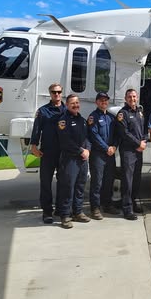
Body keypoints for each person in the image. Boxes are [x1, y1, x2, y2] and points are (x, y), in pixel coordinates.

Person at [30, 83, 66, 224]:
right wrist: (33, 145)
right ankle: (47, 212)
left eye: (58, 92)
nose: (56, 94)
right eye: (53, 92)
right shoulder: (43, 111)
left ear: (62, 93)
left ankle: (60, 208)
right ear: (50, 93)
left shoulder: (66, 110)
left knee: (63, 182)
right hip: (48, 152)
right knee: (45, 182)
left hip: (63, 152)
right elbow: (36, 129)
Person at [56, 94, 91, 229]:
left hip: (82, 159)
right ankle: (65, 215)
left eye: (77, 103)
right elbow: (65, 141)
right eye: (72, 103)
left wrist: (88, 149)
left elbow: (87, 138)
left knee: (80, 186)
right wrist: (81, 151)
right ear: (67, 105)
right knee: (68, 187)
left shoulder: (82, 120)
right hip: (70, 159)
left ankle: (78, 212)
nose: (76, 105)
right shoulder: (63, 121)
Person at [87, 92, 119, 220]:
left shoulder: (112, 117)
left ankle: (107, 204)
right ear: (96, 102)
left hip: (110, 154)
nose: (103, 102)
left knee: (109, 181)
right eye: (101, 100)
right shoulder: (92, 117)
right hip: (98, 155)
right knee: (97, 182)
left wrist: (114, 147)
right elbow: (94, 136)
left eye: (105, 100)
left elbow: (117, 134)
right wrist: (107, 148)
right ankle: (95, 208)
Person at [115, 89, 146, 221]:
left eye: (134, 96)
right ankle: (127, 208)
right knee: (127, 180)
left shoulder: (139, 111)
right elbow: (124, 133)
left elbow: (142, 129)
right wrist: (138, 143)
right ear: (125, 98)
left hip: (139, 150)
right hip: (128, 151)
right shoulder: (123, 113)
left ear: (137, 97)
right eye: (130, 97)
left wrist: (143, 140)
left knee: (136, 179)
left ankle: (133, 202)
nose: (132, 99)